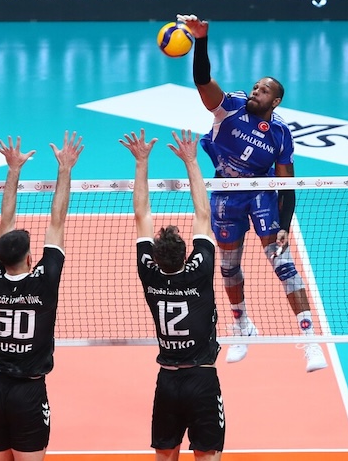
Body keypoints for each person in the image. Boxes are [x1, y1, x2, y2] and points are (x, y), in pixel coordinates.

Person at [177, 14, 328, 373]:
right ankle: (242, 324)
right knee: (228, 268)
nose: (256, 90)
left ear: (275, 101)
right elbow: (202, 80)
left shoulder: (280, 134)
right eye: (255, 86)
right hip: (226, 193)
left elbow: (287, 184)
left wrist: (284, 225)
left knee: (283, 263)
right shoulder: (229, 107)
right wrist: (201, 40)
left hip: (260, 193)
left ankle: (310, 340)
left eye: (264, 90)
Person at [120, 129, 225, 461]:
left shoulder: (149, 273)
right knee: (208, 453)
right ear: (185, 254)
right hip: (202, 378)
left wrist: (141, 162)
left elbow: (141, 215)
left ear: (157, 257)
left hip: (168, 380)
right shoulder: (200, 269)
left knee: (165, 453)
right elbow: (204, 214)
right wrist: (191, 161)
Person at [0, 132, 83, 461]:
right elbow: (58, 220)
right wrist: (65, 169)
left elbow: (6, 220)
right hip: (28, 391)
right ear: (30, 258)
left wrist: (13, 170)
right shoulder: (44, 280)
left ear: (0, 257)